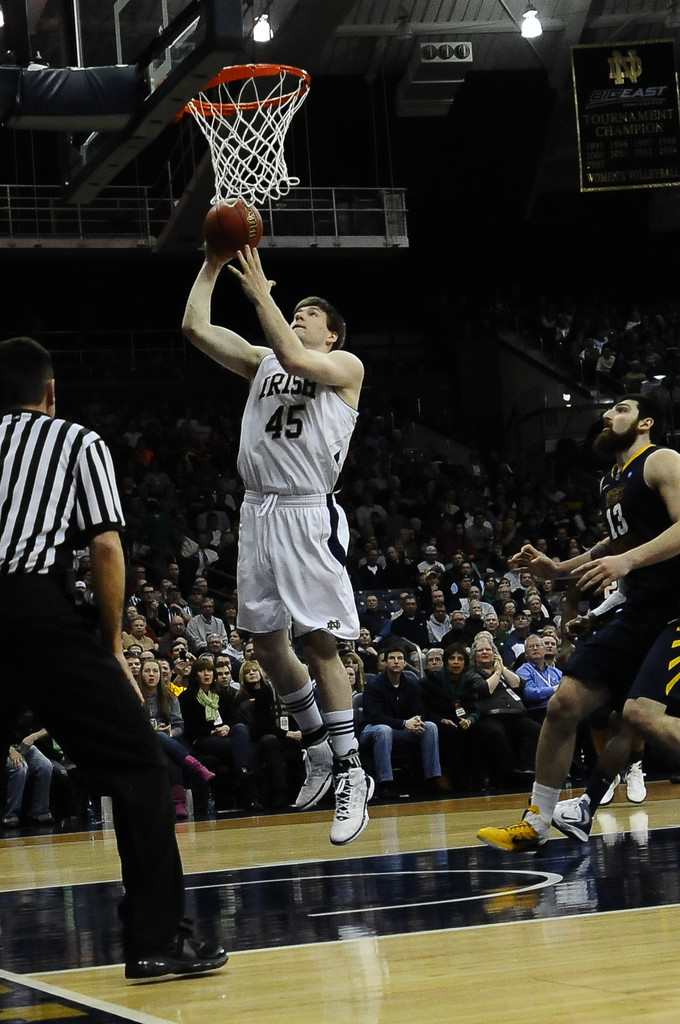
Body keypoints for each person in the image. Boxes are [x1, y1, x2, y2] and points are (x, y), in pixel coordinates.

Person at [0, 336, 226, 979]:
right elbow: (104, 546)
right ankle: (157, 940)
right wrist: (109, 645)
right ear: (49, 392)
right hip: (38, 613)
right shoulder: (76, 441)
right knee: (139, 769)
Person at [182, 244, 373, 846]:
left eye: (308, 314)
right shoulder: (265, 362)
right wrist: (213, 264)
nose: (296, 318)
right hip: (258, 510)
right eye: (292, 311)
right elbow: (194, 328)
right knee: (265, 644)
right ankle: (317, 745)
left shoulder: (346, 369)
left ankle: (351, 771)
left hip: (305, 510)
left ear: (332, 334)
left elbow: (294, 352)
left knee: (319, 643)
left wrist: (260, 291)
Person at [477, 394, 680, 851]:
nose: (607, 416)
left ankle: (585, 802)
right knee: (563, 704)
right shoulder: (612, 478)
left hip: (675, 610)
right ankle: (537, 820)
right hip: (641, 608)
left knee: (642, 717)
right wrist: (559, 569)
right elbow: (613, 543)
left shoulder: (662, 460)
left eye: (621, 410)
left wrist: (628, 560)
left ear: (646, 422)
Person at [361, 642, 443, 799]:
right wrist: (405, 723)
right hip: (373, 729)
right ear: (385, 662)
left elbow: (421, 709)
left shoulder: (412, 682)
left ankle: (432, 779)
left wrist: (417, 721)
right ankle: (386, 784)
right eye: (392, 658)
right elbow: (375, 716)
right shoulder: (374, 684)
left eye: (400, 658)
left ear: (405, 663)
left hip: (402, 729)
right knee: (383, 730)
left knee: (430, 727)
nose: (396, 661)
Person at [516, 634, 563, 722]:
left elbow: (566, 689)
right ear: (526, 653)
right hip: (539, 710)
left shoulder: (556, 672)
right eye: (531, 646)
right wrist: (554, 689)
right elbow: (529, 694)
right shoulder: (523, 671)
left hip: (559, 706)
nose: (535, 648)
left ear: (544, 650)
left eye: (538, 645)